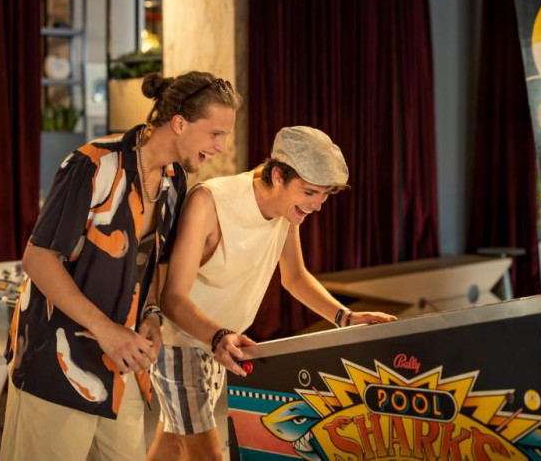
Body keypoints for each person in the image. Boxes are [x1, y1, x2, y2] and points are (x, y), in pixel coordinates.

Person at [0, 71, 242, 461]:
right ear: (180, 123)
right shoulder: (93, 164)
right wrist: (106, 330)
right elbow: (38, 259)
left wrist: (152, 315)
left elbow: (156, 263)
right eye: (215, 133)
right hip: (54, 361)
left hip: (121, 366)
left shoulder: (174, 180)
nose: (221, 147)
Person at [147, 126, 397, 461]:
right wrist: (217, 336)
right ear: (278, 175)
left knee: (171, 446)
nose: (317, 205)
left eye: (325, 195)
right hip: (182, 342)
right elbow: (171, 298)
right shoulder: (210, 200)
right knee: (207, 455)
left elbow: (295, 278)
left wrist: (345, 317)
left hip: (220, 344)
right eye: (310, 192)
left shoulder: (287, 209)